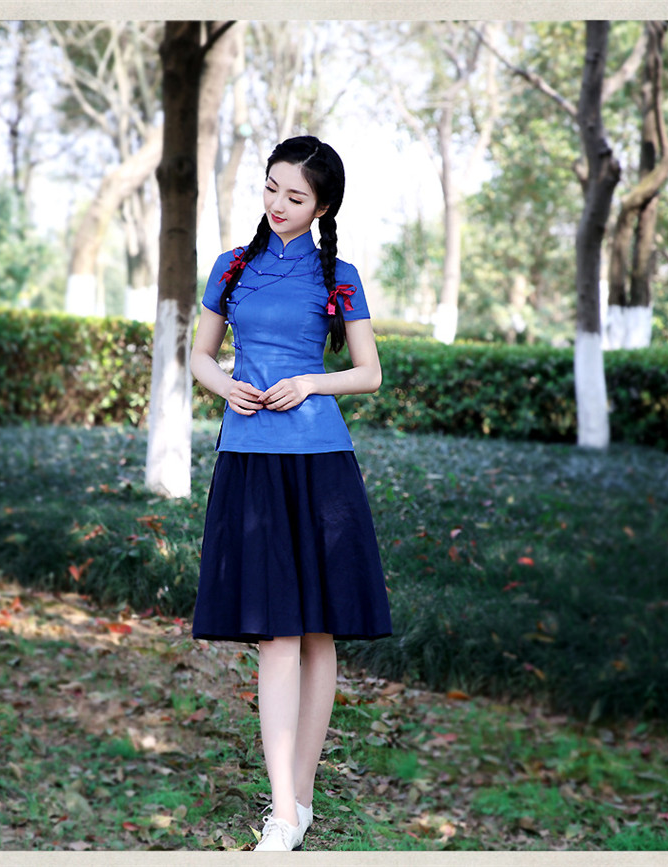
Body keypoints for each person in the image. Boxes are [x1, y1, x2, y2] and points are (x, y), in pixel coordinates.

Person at [190, 135, 392, 852]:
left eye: (296, 196)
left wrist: (309, 381)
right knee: (275, 633)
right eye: (271, 187)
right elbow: (199, 355)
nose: (278, 204)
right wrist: (226, 385)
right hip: (249, 457)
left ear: (322, 207)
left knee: (317, 633)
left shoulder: (340, 276)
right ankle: (281, 810)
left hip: (321, 461)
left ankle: (298, 801)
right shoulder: (231, 266)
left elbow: (368, 372)